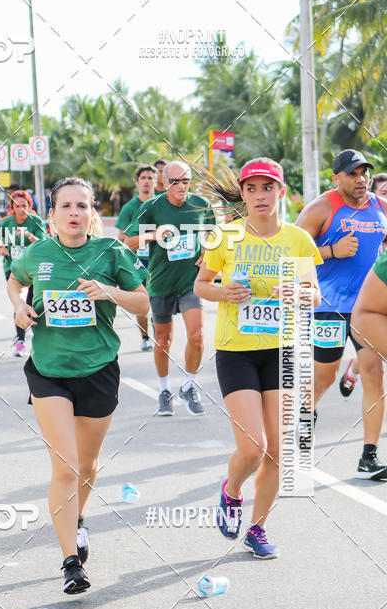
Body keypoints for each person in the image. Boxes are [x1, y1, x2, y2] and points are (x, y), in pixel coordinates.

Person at [8, 176, 149, 594]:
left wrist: (108, 292)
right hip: (49, 371)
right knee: (66, 466)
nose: (74, 213)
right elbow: (15, 281)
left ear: (92, 214)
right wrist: (18, 306)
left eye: (82, 206)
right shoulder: (38, 253)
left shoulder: (111, 252)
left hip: (98, 369)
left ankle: (79, 517)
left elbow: (144, 301)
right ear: (51, 214)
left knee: (86, 467)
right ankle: (71, 561)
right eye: (65, 206)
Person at [194, 158, 322, 559]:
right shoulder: (225, 237)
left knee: (280, 452)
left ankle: (258, 528)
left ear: (281, 192)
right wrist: (224, 292)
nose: (259, 196)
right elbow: (201, 285)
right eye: (251, 189)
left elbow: (314, 296)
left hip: (282, 350)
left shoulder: (298, 239)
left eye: (268, 188)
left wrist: (296, 294)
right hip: (236, 351)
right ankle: (231, 492)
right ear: (244, 195)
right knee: (252, 448)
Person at [297, 149, 387, 479]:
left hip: (371, 310)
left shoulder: (380, 208)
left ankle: (369, 456)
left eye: (364, 172)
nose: (361, 179)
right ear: (336, 178)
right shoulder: (322, 208)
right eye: (352, 173)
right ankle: (307, 411)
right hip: (329, 307)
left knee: (374, 373)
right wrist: (331, 250)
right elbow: (291, 251)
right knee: (325, 376)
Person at [124, 160, 216, 416]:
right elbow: (128, 241)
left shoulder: (201, 205)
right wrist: (154, 235)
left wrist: (208, 252)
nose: (181, 186)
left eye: (185, 181)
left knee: (197, 335)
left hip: (191, 283)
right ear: (163, 183)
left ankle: (189, 385)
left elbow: (214, 235)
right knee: (163, 339)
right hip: (161, 283)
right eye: (175, 181)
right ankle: (164, 390)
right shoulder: (151, 207)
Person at [338, 171, 387, 397]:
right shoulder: (363, 220)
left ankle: (354, 368)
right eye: (384, 193)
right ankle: (354, 368)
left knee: (374, 358)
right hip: (366, 301)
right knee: (372, 359)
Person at [0, 190, 47, 356]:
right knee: (20, 302)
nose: (21, 209)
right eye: (17, 206)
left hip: (33, 270)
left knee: (33, 303)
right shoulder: (6, 223)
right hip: (13, 268)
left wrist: (29, 235)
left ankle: (38, 340)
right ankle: (20, 341)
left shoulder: (36, 221)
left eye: (24, 206)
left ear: (29, 206)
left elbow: (43, 244)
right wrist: (1, 247)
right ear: (12, 207)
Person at [116, 164, 154, 351]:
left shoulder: (161, 204)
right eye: (143, 178)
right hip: (139, 262)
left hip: (159, 261)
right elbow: (121, 239)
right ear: (137, 182)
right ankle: (145, 337)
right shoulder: (130, 208)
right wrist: (140, 240)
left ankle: (161, 337)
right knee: (143, 304)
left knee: (159, 304)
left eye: (150, 177)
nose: (147, 181)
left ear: (155, 181)